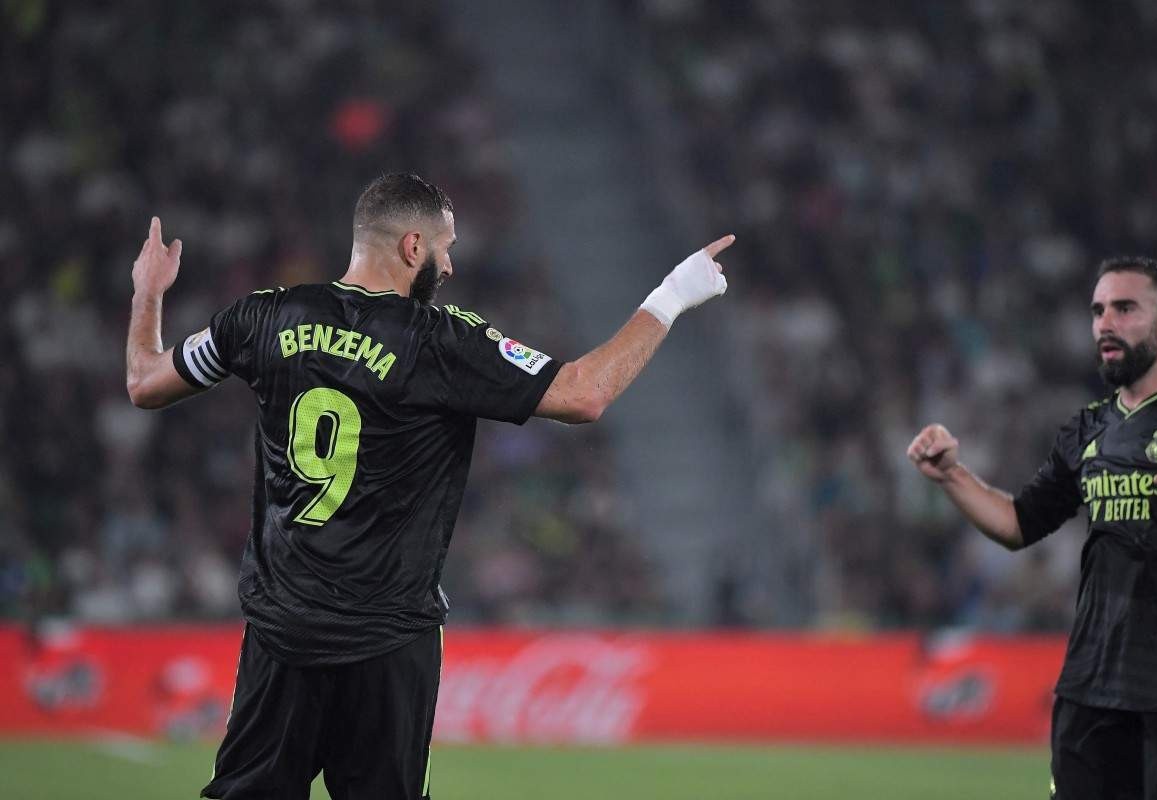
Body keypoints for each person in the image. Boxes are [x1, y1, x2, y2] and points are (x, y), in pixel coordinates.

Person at [124, 172, 735, 799]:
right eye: (444, 247)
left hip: (282, 638)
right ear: (412, 246)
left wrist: (148, 293)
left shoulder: (261, 316)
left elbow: (145, 384)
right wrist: (670, 297)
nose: (448, 263)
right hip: (387, 645)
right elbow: (585, 394)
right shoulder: (439, 340)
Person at [906, 256, 1157, 799]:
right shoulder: (1089, 427)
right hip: (1090, 686)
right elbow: (1019, 522)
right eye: (1097, 311)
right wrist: (952, 476)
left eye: (1124, 308)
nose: (1104, 323)